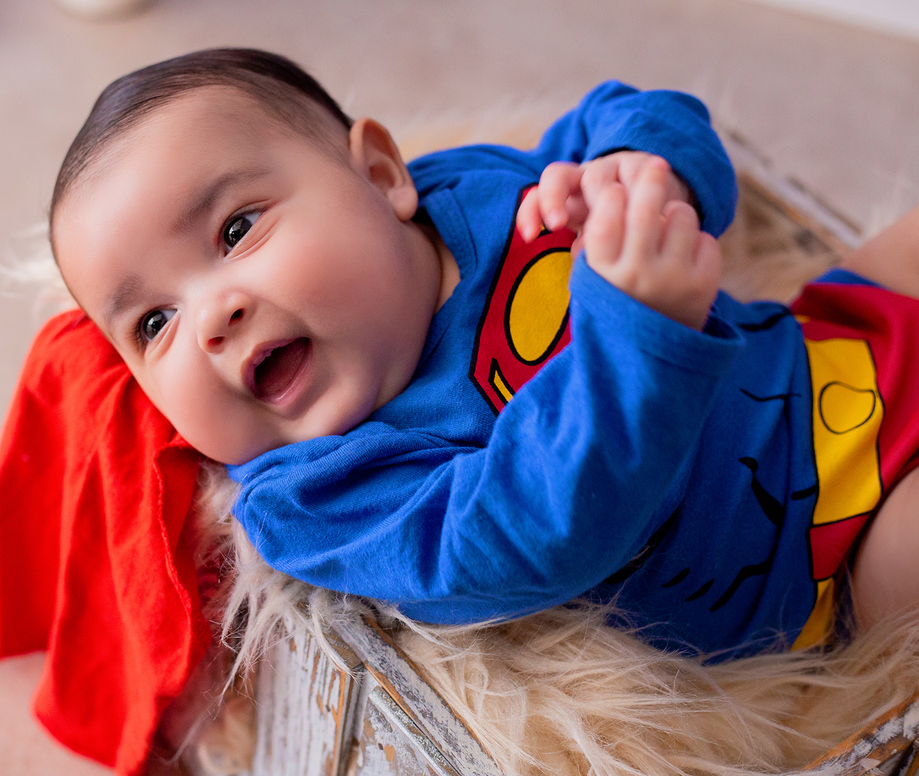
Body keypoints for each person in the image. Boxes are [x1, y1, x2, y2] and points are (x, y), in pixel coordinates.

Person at [49, 48, 919, 659]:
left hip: (822, 341)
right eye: (152, 324)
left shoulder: (463, 190)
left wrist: (637, 170)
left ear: (383, 177)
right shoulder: (316, 495)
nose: (210, 317)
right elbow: (524, 539)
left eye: (237, 229)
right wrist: (639, 329)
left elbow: (632, 111)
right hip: (816, 556)